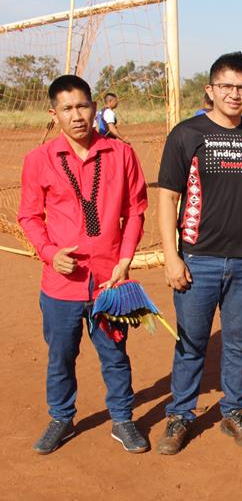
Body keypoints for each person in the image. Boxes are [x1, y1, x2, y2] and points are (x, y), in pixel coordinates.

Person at [18, 74, 149, 454]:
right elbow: (29, 216)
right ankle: (61, 417)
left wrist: (125, 260)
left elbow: (135, 210)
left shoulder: (121, 153)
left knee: (114, 354)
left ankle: (123, 419)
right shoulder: (38, 160)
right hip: (60, 284)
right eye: (67, 108)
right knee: (61, 355)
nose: (77, 116)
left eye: (83, 106)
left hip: (110, 280)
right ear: (53, 113)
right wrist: (48, 252)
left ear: (94, 107)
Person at [155, 52, 242, 455]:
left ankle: (234, 410)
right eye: (226, 86)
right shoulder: (187, 134)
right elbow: (168, 197)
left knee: (240, 342)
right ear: (210, 90)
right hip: (197, 259)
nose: (234, 94)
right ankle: (181, 415)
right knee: (191, 342)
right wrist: (171, 257)